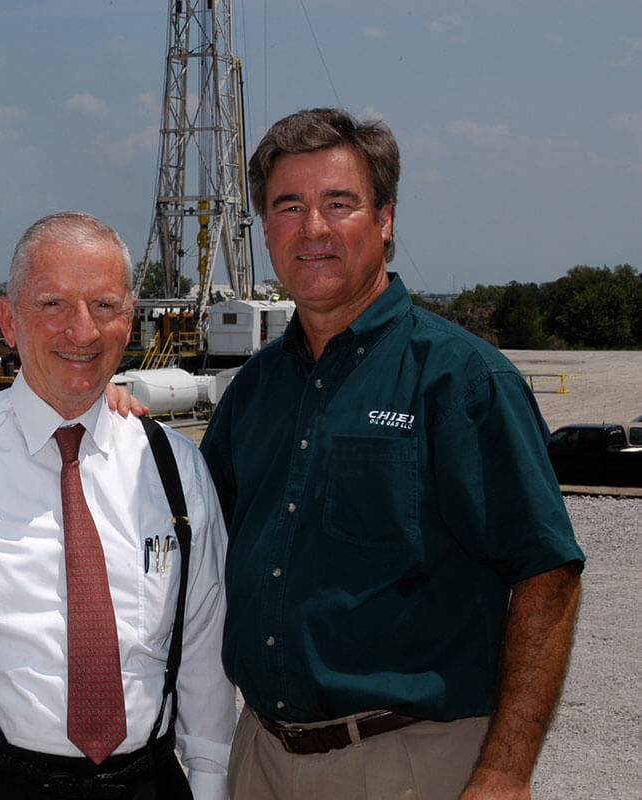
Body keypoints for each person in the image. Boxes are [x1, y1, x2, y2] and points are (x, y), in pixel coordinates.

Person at [199, 107, 585, 800]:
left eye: (338, 203)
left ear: (383, 220)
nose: (311, 229)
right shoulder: (253, 391)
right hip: (260, 758)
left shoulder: (460, 380)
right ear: (264, 230)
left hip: (405, 764)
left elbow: (545, 575)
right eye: (288, 206)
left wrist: (502, 772)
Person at [0, 210, 237, 799]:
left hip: (145, 783)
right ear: (9, 321)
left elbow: (204, 661)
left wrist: (210, 787)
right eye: (54, 304)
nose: (82, 331)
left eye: (105, 305)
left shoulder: (175, 470)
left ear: (130, 320)